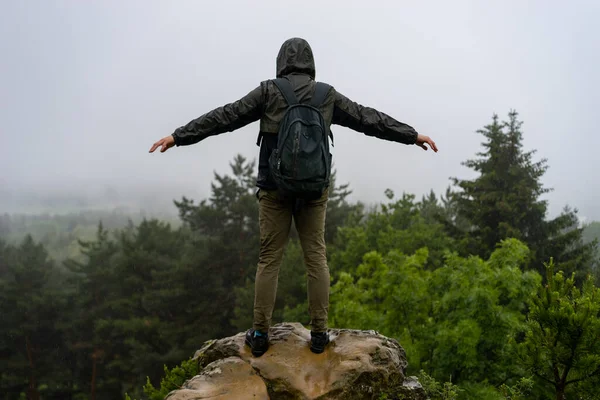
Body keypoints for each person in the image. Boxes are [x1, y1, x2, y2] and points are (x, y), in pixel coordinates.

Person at [149, 37, 438, 357]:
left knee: (269, 258)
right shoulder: (325, 95)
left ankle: (260, 334)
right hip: (315, 189)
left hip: (274, 189)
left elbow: (225, 117)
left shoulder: (268, 91)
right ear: (310, 63)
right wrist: (411, 135)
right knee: (316, 256)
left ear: (281, 62)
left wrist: (179, 136)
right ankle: (318, 334)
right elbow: (369, 118)